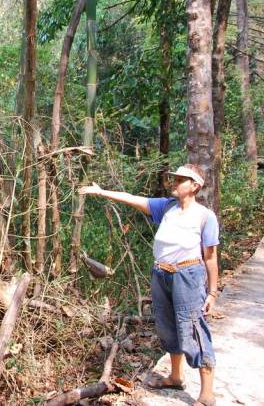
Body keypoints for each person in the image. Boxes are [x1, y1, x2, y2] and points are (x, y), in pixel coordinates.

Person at [79, 164, 219, 406]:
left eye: (181, 180)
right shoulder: (166, 207)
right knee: (166, 325)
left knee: (193, 328)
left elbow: (210, 257)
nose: (175, 183)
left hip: (188, 275)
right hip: (161, 273)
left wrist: (212, 292)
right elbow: (134, 199)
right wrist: (101, 191)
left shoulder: (205, 216)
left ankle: (207, 393)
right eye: (174, 179)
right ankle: (176, 376)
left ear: (195, 186)